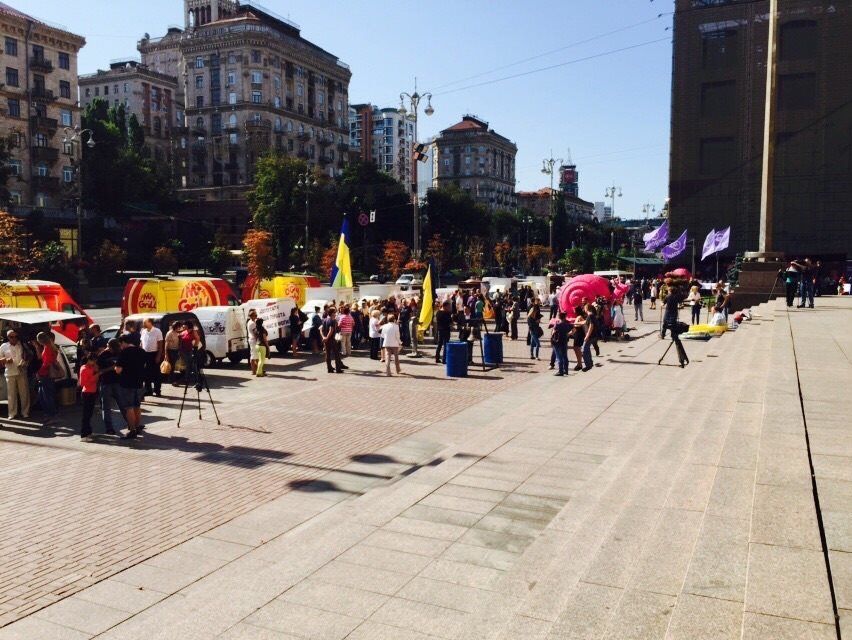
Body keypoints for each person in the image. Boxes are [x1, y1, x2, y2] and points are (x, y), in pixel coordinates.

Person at [115, 334, 147, 439]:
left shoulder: (124, 353)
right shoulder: (141, 351)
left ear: (124, 342)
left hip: (127, 383)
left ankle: (132, 429)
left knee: (129, 407)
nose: (120, 347)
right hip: (139, 382)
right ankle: (137, 427)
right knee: (137, 406)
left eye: (121, 344)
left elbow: (118, 370)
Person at [1, 329, 30, 419]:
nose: (14, 338)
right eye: (11, 337)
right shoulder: (3, 346)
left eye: (15, 336)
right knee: (11, 394)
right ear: (8, 337)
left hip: (21, 371)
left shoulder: (22, 345)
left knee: (24, 393)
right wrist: (5, 360)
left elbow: (29, 355)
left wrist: (25, 362)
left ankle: (25, 412)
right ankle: (12, 413)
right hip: (10, 372)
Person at [97, 339, 122, 435]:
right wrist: (111, 368)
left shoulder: (119, 353)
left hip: (117, 383)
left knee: (123, 405)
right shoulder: (102, 356)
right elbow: (99, 371)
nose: (107, 348)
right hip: (105, 383)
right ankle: (109, 428)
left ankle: (130, 424)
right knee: (106, 407)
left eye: (108, 346)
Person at [34, 332, 60, 423]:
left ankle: (52, 416)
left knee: (47, 397)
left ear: (40, 340)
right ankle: (50, 415)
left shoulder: (48, 348)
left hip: (46, 375)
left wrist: (39, 373)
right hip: (47, 374)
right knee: (45, 396)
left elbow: (46, 363)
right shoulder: (50, 346)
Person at [77, 352, 101, 442]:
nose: (94, 363)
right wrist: (95, 376)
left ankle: (88, 432)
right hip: (87, 393)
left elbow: (96, 379)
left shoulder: (93, 367)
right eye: (93, 361)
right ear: (89, 360)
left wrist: (96, 372)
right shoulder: (84, 368)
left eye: (95, 361)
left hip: (92, 392)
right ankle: (83, 435)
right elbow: (83, 383)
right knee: (86, 415)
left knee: (89, 414)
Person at [140, 317, 164, 397]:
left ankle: (157, 390)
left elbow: (160, 345)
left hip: (154, 354)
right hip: (145, 354)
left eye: (145, 322)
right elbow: (141, 343)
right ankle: (148, 390)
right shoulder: (143, 331)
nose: (143, 324)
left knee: (156, 373)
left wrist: (158, 356)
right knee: (146, 373)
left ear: (150, 322)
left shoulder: (157, 331)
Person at [321, 307, 345, 373]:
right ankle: (338, 369)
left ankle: (329, 368)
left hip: (326, 340)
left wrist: (324, 337)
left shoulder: (324, 320)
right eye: (335, 312)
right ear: (332, 313)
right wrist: (327, 337)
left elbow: (321, 329)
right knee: (336, 354)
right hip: (332, 340)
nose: (335, 314)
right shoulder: (333, 320)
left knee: (328, 354)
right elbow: (331, 330)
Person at [552, 311, 571, 376]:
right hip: (564, 341)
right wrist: (568, 334)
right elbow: (574, 330)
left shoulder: (557, 324)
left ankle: (560, 371)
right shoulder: (567, 324)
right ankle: (566, 370)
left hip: (557, 342)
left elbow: (553, 333)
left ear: (559, 316)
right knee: (565, 356)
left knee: (559, 357)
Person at [246, 309, 259, 374]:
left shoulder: (250, 322)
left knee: (255, 355)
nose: (256, 316)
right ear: (252, 316)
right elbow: (255, 333)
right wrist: (258, 341)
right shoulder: (252, 323)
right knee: (254, 356)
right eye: (255, 315)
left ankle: (257, 370)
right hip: (253, 340)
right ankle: (254, 371)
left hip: (251, 339)